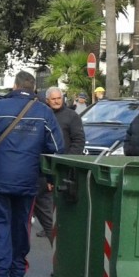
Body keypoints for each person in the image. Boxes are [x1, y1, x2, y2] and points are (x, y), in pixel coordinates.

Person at [0, 71, 62, 277]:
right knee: (22, 226)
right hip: (29, 180)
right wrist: (48, 176)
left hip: (0, 179)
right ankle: (18, 270)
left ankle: (0, 272)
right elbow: (57, 149)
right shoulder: (44, 113)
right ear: (33, 89)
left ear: (14, 85)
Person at [32, 87, 86, 238]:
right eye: (53, 99)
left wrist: (67, 161)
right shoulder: (42, 114)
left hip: (63, 167)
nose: (56, 101)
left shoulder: (71, 116)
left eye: (59, 98)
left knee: (58, 201)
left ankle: (59, 230)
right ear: (47, 100)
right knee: (44, 202)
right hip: (42, 166)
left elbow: (79, 140)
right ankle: (50, 228)